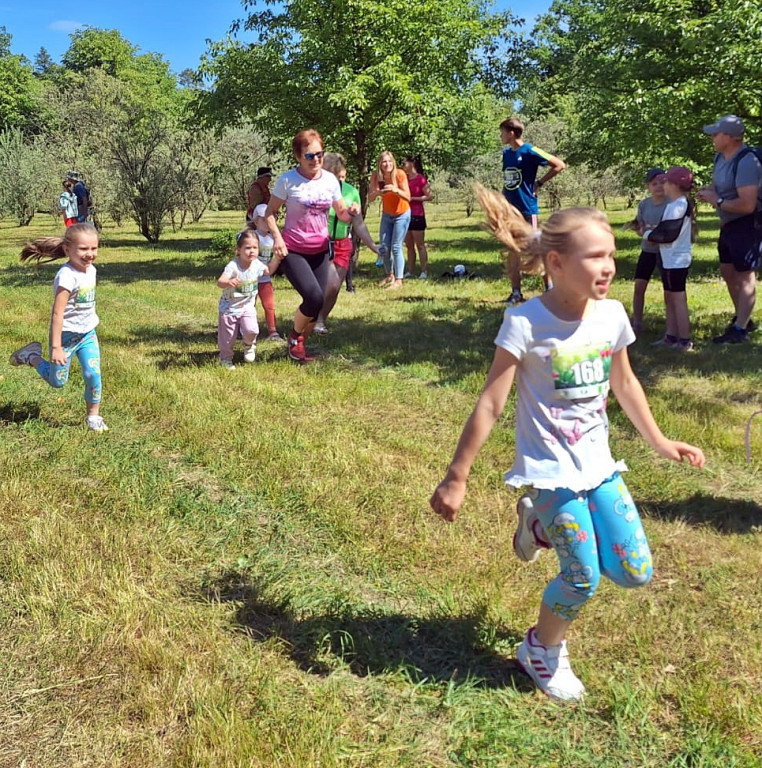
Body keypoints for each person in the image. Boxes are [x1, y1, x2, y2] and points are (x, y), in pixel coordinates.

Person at [429, 186, 705, 701]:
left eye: (612, 256)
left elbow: (624, 385)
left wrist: (661, 442)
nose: (608, 267)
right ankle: (540, 650)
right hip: (551, 469)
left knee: (635, 571)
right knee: (581, 577)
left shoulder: (611, 315)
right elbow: (490, 403)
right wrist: (456, 475)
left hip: (599, 465)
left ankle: (535, 524)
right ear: (556, 262)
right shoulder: (526, 322)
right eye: (595, 256)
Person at [265, 129, 360, 363]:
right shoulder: (288, 180)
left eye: (320, 154)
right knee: (314, 298)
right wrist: (277, 238)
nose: (316, 159)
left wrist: (351, 212)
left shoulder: (330, 181)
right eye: (310, 156)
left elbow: (341, 214)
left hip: (319, 250)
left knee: (316, 305)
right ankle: (295, 338)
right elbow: (269, 213)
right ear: (298, 156)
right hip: (293, 250)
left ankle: (298, 347)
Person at [9, 223, 108, 431]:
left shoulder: (92, 270)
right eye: (83, 249)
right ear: (67, 250)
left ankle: (93, 416)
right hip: (65, 337)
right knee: (57, 382)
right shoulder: (66, 276)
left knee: (93, 374)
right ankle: (31, 356)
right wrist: (55, 347)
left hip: (88, 334)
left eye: (94, 248)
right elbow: (57, 313)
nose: (89, 254)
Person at [697, 115, 762, 343]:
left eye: (716, 134)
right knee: (727, 271)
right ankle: (743, 318)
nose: (713, 137)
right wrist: (708, 192)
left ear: (731, 137)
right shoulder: (720, 157)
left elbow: (747, 205)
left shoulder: (746, 162)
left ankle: (740, 329)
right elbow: (718, 186)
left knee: (745, 275)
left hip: (747, 224)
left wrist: (718, 201)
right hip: (728, 224)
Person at [500, 116, 566, 305]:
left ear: (512, 133)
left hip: (528, 209)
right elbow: (508, 181)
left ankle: (551, 290)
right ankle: (516, 293)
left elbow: (559, 165)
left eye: (502, 132)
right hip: (511, 211)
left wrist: (539, 183)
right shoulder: (506, 154)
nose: (501, 136)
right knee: (513, 250)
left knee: (537, 250)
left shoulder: (530, 150)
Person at [314, 152, 378, 334]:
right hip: (321, 243)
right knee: (327, 285)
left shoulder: (351, 192)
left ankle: (320, 320)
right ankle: (310, 318)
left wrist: (373, 246)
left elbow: (358, 223)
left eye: (337, 174)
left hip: (342, 243)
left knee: (334, 288)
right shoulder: (315, 189)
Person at [645, 167, 697, 351]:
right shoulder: (674, 204)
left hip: (676, 260)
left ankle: (684, 340)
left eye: (666, 181)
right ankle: (671, 336)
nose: (663, 185)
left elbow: (667, 233)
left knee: (678, 298)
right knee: (670, 297)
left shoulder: (678, 205)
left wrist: (647, 235)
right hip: (668, 259)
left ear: (674, 185)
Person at [217, 228, 281, 369]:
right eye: (247, 248)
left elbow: (268, 270)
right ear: (238, 250)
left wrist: (277, 258)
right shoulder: (233, 266)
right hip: (229, 308)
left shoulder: (257, 264)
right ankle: (226, 359)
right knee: (227, 338)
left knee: (252, 330)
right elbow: (220, 281)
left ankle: (249, 344)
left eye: (255, 247)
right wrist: (228, 282)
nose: (252, 251)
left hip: (247, 307)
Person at [630, 168, 668, 334]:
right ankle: (637, 322)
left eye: (662, 182)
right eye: (654, 183)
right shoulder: (644, 204)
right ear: (648, 186)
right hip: (647, 251)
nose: (658, 186)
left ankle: (672, 322)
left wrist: (654, 233)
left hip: (666, 252)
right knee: (639, 285)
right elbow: (640, 226)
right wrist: (643, 232)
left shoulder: (672, 203)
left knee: (670, 289)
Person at [368, 151, 411, 290]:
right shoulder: (376, 176)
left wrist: (395, 189)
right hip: (387, 214)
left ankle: (399, 280)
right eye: (384, 162)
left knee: (396, 246)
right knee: (384, 247)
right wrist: (378, 193)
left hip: (402, 214)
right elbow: (370, 198)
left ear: (394, 163)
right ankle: (389, 275)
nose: (387, 164)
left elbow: (408, 197)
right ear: (379, 164)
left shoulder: (399, 174)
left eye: (389, 161)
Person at [251, 203, 283, 341]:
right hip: (250, 279)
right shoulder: (252, 237)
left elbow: (272, 265)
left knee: (269, 305)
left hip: (264, 279)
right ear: (256, 221)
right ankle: (244, 328)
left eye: (270, 218)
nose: (267, 222)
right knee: (248, 304)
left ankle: (273, 331)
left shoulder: (273, 240)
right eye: (263, 219)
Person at [402, 155, 432, 279]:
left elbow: (430, 196)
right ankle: (410, 270)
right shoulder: (403, 179)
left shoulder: (420, 178)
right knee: (409, 245)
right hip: (404, 214)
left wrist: (414, 199)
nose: (403, 165)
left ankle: (424, 271)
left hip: (417, 215)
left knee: (420, 244)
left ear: (411, 164)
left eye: (404, 163)